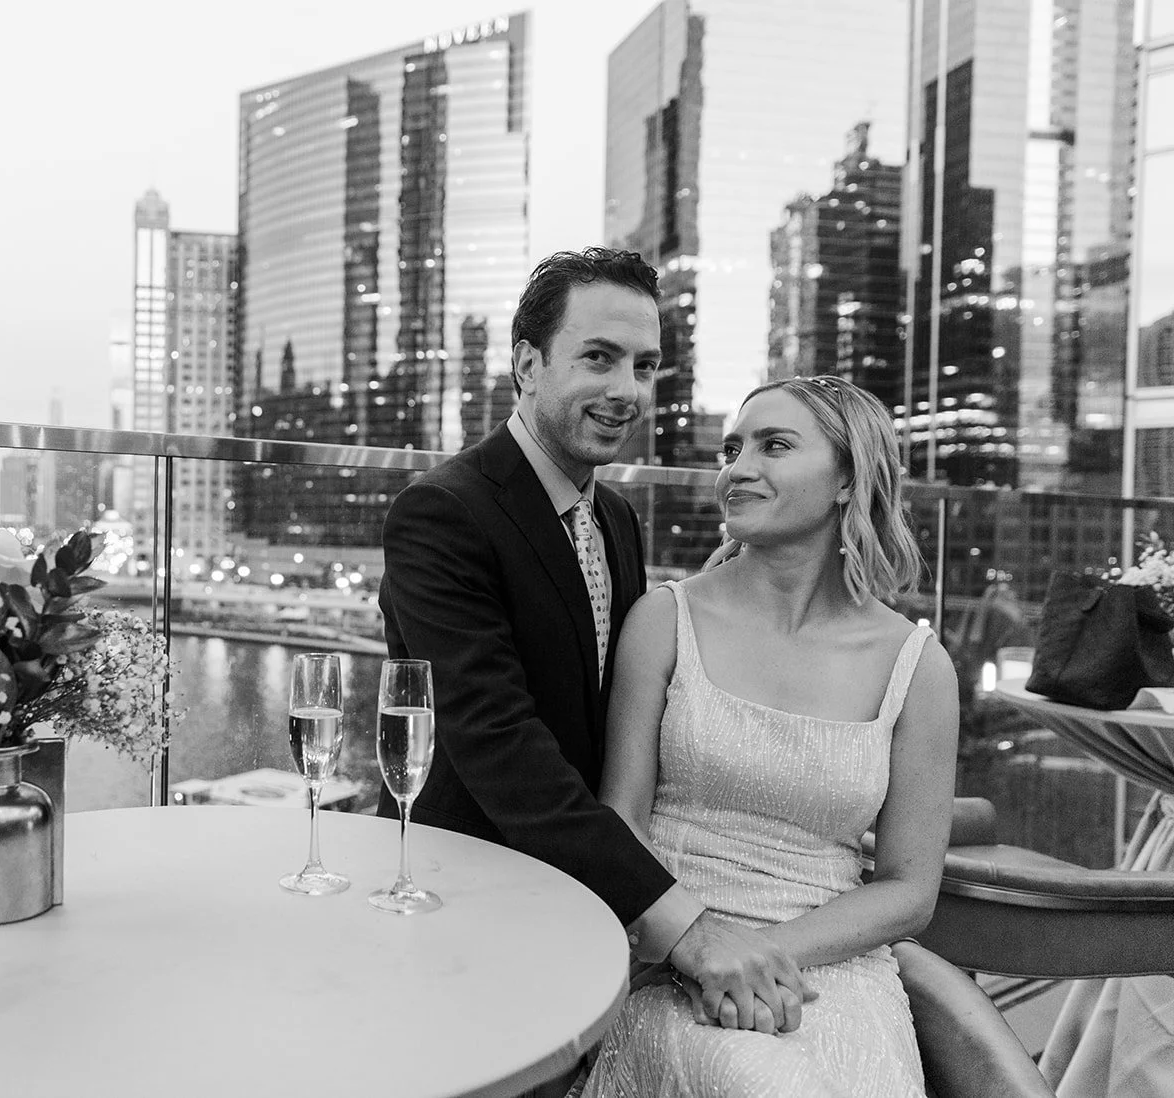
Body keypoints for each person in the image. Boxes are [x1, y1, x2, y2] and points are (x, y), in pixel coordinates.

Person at [378, 248, 813, 1075]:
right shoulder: (441, 512)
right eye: (599, 358)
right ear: (527, 364)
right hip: (469, 889)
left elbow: (615, 708)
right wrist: (684, 926)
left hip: (589, 886)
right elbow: (499, 745)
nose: (627, 390)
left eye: (644, 366)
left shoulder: (613, 516)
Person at [582, 375, 959, 1097]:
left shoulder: (918, 665)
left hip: (834, 971)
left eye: (774, 446)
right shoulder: (665, 620)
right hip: (673, 961)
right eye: (733, 450)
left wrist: (759, 953)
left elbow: (910, 889)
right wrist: (697, 945)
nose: (739, 469)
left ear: (848, 479)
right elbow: (620, 819)